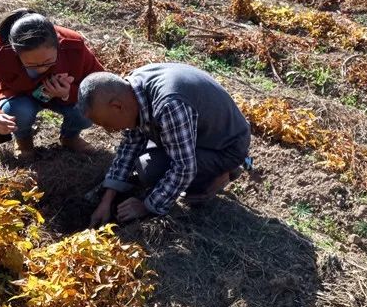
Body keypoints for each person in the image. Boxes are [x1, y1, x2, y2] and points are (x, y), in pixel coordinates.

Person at [79, 62, 251, 226]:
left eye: (105, 124)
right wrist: (107, 200)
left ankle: (223, 173)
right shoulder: (131, 90)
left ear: (117, 106)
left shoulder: (169, 105)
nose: (109, 130)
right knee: (146, 163)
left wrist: (146, 206)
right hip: (198, 133)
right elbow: (130, 145)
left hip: (226, 146)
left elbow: (184, 168)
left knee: (152, 170)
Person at [0, 9, 105, 160]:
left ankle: (70, 137)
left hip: (62, 98)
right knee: (16, 110)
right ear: (15, 51)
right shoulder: (2, 52)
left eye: (48, 62)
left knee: (86, 109)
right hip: (19, 96)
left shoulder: (73, 47)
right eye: (31, 64)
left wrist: (68, 93)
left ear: (58, 46)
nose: (41, 68)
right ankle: (23, 140)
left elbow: (99, 85)